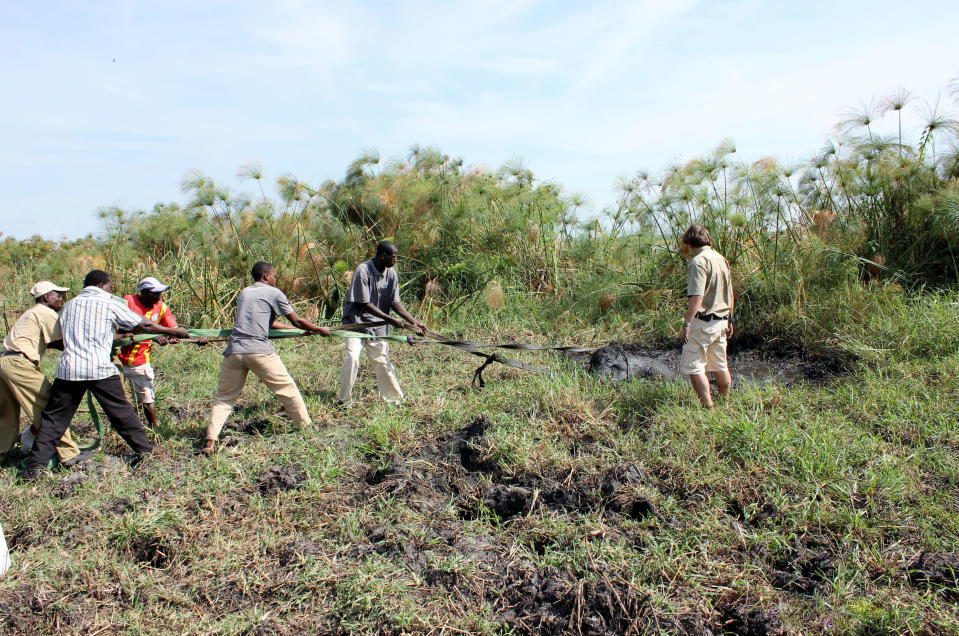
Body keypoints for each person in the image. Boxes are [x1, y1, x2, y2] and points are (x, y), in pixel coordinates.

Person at [21, 270, 190, 479]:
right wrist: (174, 331)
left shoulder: (70, 305)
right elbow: (142, 324)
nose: (111, 290)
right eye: (110, 286)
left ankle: (35, 467)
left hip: (69, 368)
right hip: (98, 367)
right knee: (121, 413)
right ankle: (145, 451)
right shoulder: (107, 302)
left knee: (54, 418)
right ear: (102, 285)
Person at [202, 261, 331, 455]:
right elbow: (296, 319)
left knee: (223, 398)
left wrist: (299, 332)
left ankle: (210, 442)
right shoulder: (274, 293)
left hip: (234, 351)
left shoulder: (245, 293)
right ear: (266, 277)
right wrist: (318, 329)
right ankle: (307, 429)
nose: (275, 279)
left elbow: (271, 323)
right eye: (274, 276)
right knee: (287, 390)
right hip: (258, 351)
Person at [0, 281, 83, 465]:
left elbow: (51, 342)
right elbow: (63, 341)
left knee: (6, 414)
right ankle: (68, 453)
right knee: (47, 405)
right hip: (18, 363)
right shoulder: (44, 312)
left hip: (4, 360)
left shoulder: (31, 313)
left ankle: (1, 452)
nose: (60, 299)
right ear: (47, 297)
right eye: (57, 295)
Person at [338, 241, 426, 407]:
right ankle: (344, 401)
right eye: (394, 256)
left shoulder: (391, 274)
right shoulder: (363, 270)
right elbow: (365, 304)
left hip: (377, 326)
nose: (396, 259)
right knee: (352, 357)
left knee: (382, 361)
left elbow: (395, 303)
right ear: (382, 256)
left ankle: (395, 400)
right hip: (355, 323)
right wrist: (390, 320)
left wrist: (414, 322)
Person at [116, 276, 196, 429]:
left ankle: (154, 430)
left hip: (139, 360)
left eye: (160, 293)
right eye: (155, 293)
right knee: (124, 400)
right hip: (118, 358)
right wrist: (155, 336)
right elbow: (123, 325)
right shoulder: (128, 301)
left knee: (146, 398)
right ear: (144, 293)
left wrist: (175, 337)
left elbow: (173, 330)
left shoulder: (161, 307)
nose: (159, 297)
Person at [678, 224, 734, 408]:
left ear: (689, 243)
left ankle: (707, 407)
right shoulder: (721, 259)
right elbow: (730, 293)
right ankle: (725, 404)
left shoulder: (698, 261)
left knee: (695, 366)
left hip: (703, 322)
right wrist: (730, 319)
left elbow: (697, 296)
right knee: (720, 364)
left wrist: (687, 323)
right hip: (722, 322)